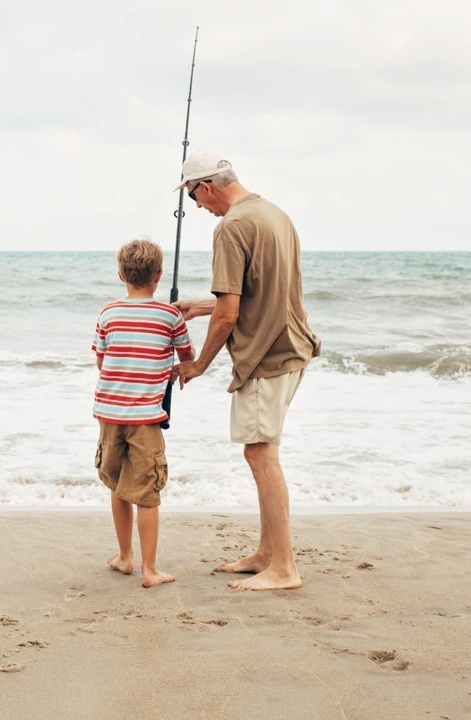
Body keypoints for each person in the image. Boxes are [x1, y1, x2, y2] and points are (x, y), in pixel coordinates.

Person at [173, 150, 321, 591]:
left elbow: (230, 314)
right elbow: (262, 290)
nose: (199, 207)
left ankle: (285, 568)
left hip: (266, 356)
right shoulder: (274, 214)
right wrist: (200, 307)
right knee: (263, 449)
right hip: (294, 347)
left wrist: (198, 363)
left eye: (195, 197)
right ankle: (266, 554)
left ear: (206, 186)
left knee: (260, 454)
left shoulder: (231, 226)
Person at [92, 238, 195, 588]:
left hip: (108, 414)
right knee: (147, 493)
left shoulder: (107, 313)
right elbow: (187, 358)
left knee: (119, 485)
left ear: (121, 274)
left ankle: (125, 557)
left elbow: (101, 360)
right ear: (159, 276)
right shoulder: (170, 316)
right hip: (146, 419)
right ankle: (150, 570)